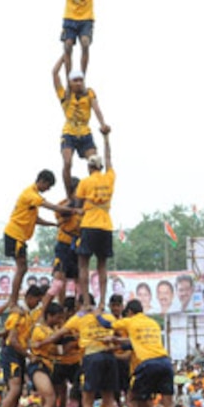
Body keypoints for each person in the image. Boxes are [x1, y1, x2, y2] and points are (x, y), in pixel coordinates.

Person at [105, 298, 177, 407]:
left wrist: (94, 313)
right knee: (168, 405)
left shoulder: (130, 321)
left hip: (146, 365)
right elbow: (134, 343)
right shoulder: (153, 323)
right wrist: (117, 343)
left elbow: (107, 324)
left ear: (129, 312)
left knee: (131, 399)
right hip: (165, 362)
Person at [4, 171, 75, 305]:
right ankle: (12, 301)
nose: (47, 189)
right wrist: (71, 210)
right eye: (48, 186)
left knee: (22, 268)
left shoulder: (32, 196)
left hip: (19, 236)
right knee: (22, 268)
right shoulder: (31, 195)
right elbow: (52, 206)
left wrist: (52, 224)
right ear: (42, 181)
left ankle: (13, 300)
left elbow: (34, 219)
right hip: (15, 234)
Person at [53, 59, 111, 189]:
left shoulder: (89, 93)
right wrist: (65, 56)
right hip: (69, 133)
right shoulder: (64, 95)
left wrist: (103, 124)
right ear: (70, 83)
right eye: (75, 81)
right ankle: (69, 195)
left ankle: (93, 190)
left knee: (95, 162)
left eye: (81, 80)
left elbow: (96, 108)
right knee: (67, 163)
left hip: (85, 133)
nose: (79, 83)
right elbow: (55, 73)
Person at [75, 132, 115, 310]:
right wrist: (106, 138)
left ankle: (85, 302)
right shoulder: (109, 178)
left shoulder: (84, 182)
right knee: (102, 266)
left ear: (89, 168)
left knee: (83, 264)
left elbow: (78, 204)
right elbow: (109, 157)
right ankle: (101, 303)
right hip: (106, 225)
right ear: (101, 166)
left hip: (89, 224)